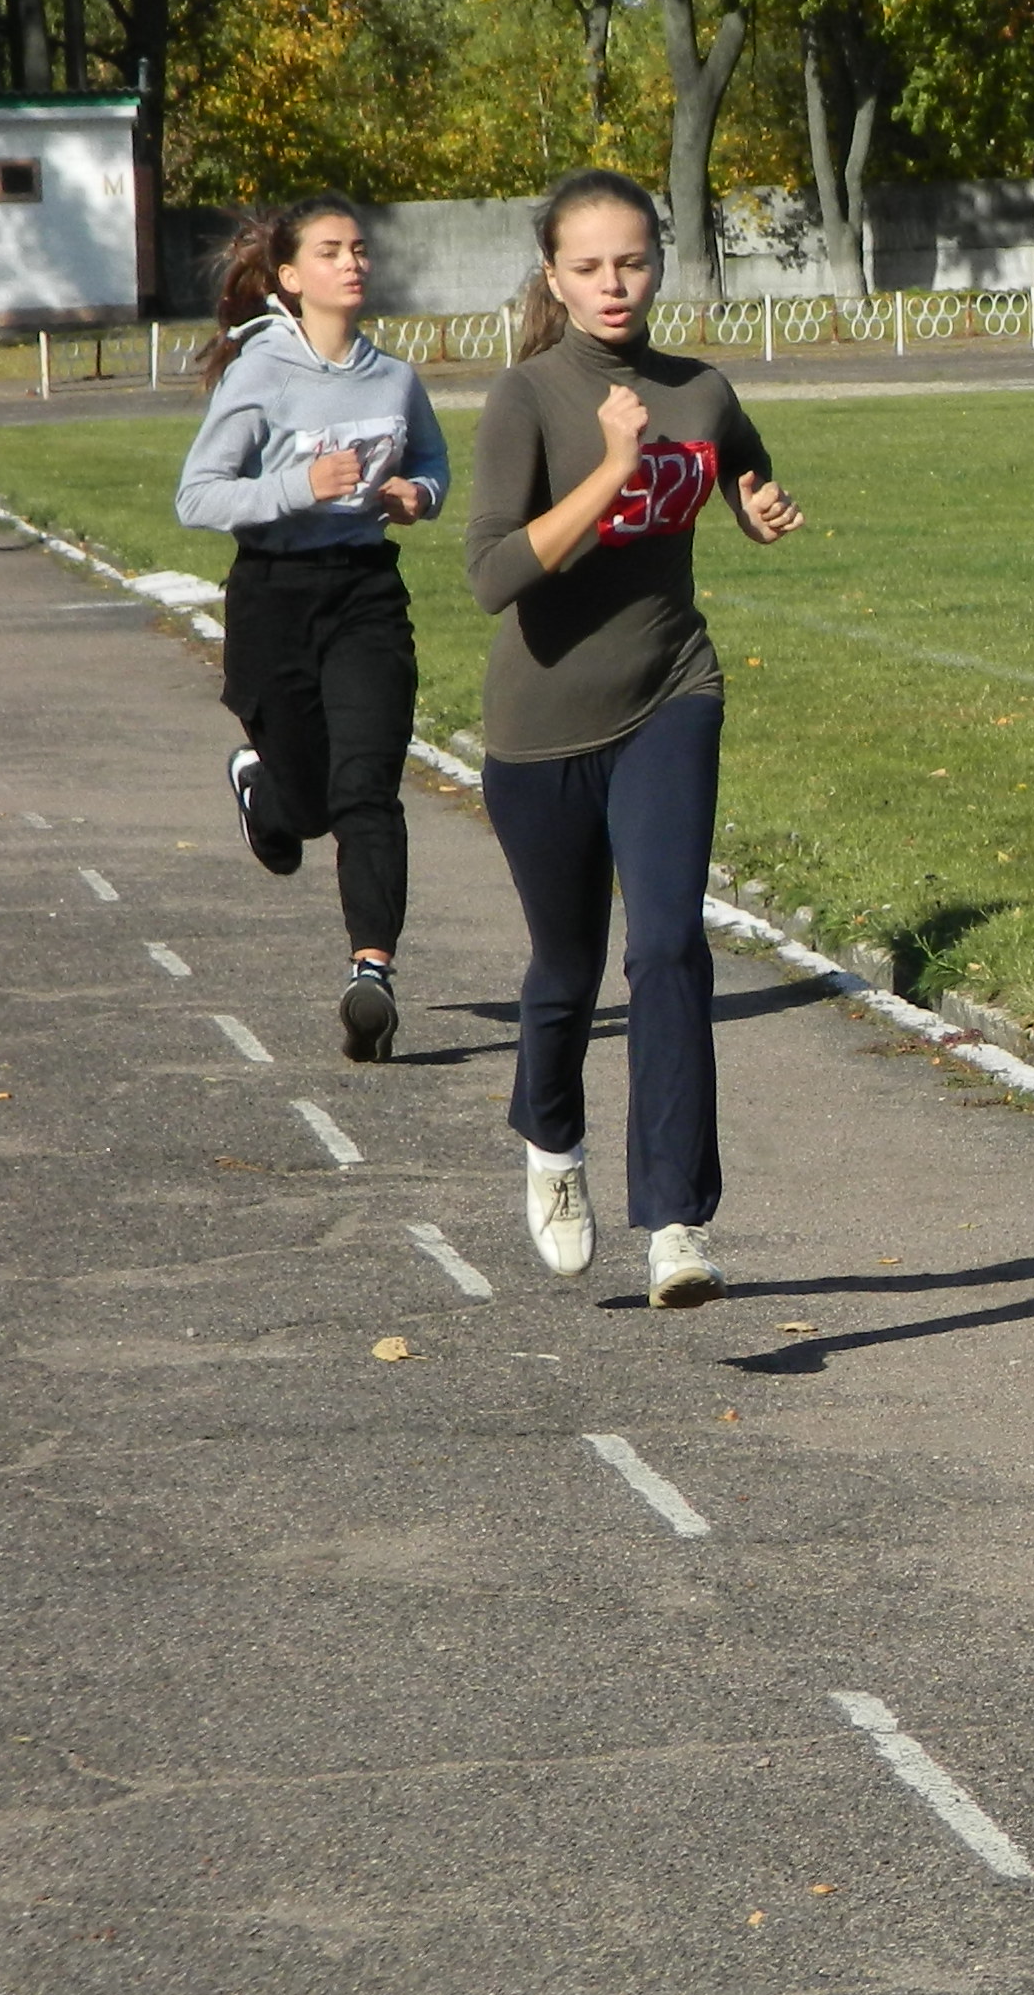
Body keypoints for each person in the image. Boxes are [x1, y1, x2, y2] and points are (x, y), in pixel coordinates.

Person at [464, 171, 800, 1305]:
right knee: (565, 971)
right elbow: (493, 575)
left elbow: (737, 460)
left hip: (672, 693)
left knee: (665, 947)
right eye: (592, 266)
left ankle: (676, 1224)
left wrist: (756, 508)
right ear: (555, 277)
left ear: (660, 264)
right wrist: (610, 469)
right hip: (540, 728)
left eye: (636, 261)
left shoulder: (698, 388)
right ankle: (553, 1150)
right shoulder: (528, 396)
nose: (617, 284)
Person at [175, 196, 448, 1060]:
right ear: (290, 279)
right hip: (274, 596)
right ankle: (264, 787)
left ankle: (372, 976)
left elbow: (433, 462)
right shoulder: (257, 376)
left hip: (365, 590)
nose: (353, 263)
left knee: (368, 789)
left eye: (360, 249)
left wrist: (417, 495)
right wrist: (301, 488)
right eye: (331, 252)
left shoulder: (395, 377)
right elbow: (199, 496)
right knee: (312, 804)